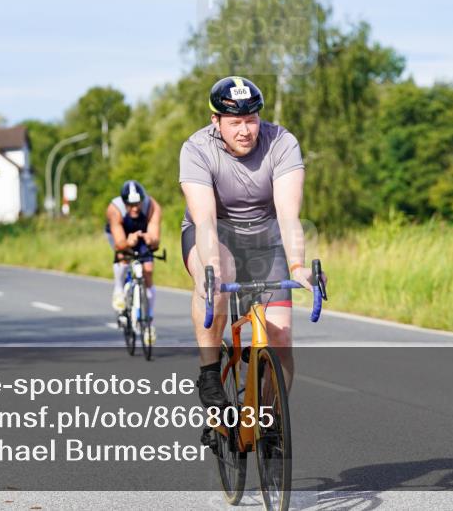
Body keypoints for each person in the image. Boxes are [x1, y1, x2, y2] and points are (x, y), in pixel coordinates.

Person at [179, 76, 313, 409]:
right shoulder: (196, 149)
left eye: (251, 120)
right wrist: (210, 268)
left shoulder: (281, 142)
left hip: (266, 238)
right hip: (214, 234)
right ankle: (209, 372)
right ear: (216, 121)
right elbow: (206, 219)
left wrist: (297, 265)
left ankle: (270, 419)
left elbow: (287, 216)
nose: (245, 130)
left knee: (280, 338)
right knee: (217, 273)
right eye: (235, 122)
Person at [106, 180, 162, 345]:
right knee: (123, 257)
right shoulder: (114, 210)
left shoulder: (153, 207)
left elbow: (155, 240)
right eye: (130, 205)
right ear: (124, 203)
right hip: (120, 234)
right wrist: (127, 243)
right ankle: (118, 290)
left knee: (148, 268)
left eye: (137, 203)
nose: (135, 208)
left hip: (142, 232)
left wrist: (150, 240)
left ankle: (149, 322)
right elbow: (119, 243)